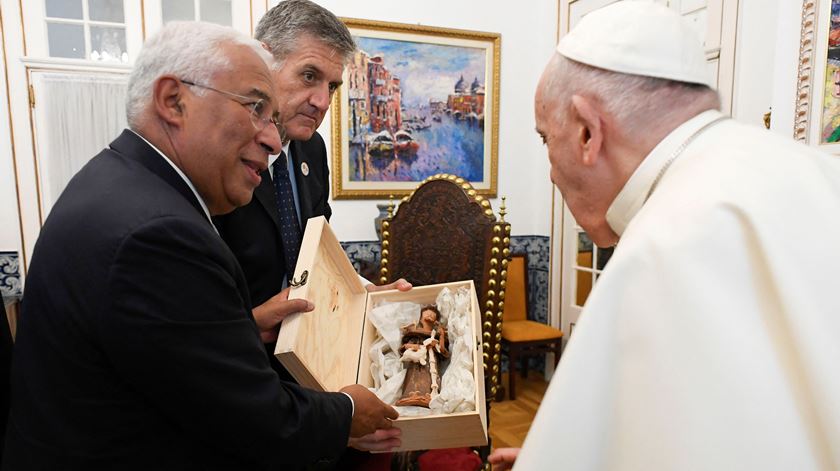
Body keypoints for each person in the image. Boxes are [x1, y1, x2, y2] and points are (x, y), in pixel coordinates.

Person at [3, 21, 398, 470]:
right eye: (254, 108)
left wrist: (245, 328)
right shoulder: (160, 235)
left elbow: (161, 348)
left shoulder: (117, 180)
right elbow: (257, 420)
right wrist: (347, 412)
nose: (272, 139)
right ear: (174, 101)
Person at [490, 2, 840, 470]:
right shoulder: (815, 169)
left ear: (588, 131)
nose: (551, 173)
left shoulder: (667, 243)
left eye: (544, 139)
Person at [212, 0, 408, 452]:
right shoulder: (221, 155)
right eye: (309, 76)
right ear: (263, 60)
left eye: (333, 86)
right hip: (243, 385)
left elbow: (317, 250)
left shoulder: (312, 150)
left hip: (315, 366)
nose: (322, 101)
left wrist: (365, 292)